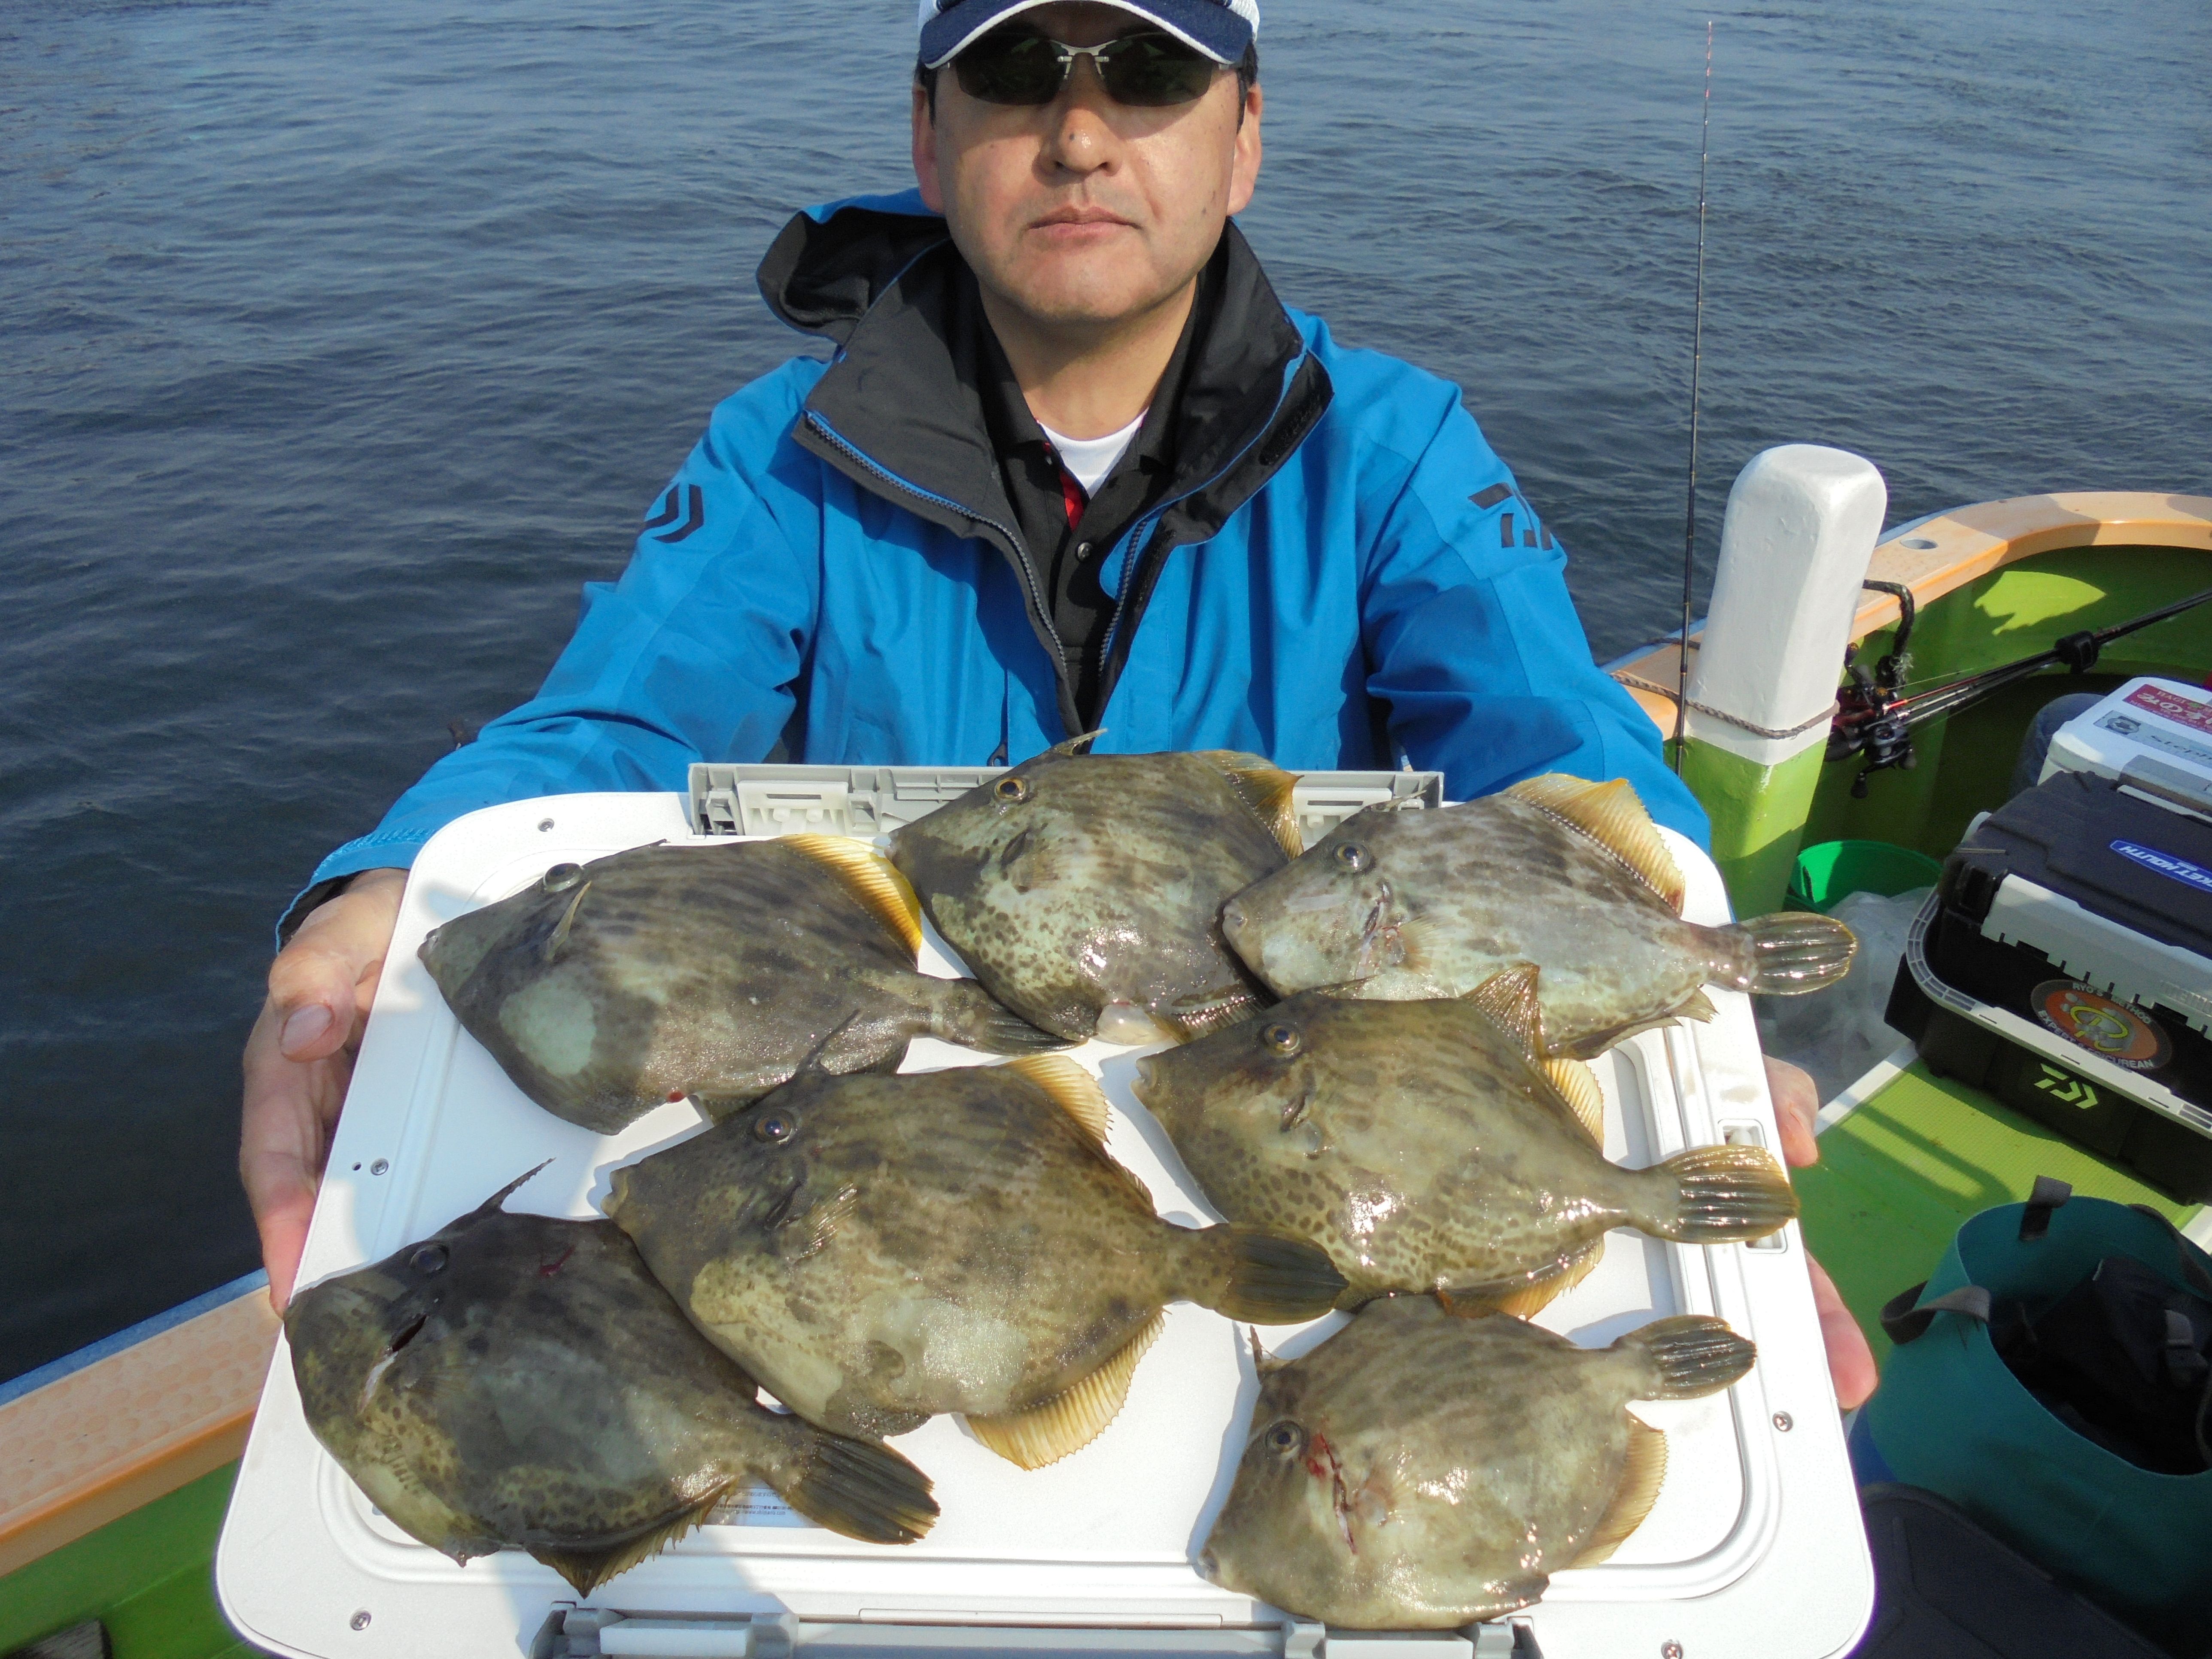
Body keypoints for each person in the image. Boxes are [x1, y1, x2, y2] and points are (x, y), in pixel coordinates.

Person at [240, 0, 1876, 1407]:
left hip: (1311, 1156)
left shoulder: (1394, 452)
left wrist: (1697, 1034)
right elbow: (604, 734)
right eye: (1018, 74)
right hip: (909, 1187)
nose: (1080, 137)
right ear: (929, 133)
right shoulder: (782, 456)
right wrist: (383, 889)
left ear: (1244, 139)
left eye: (1147, 77)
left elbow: (1556, 757)